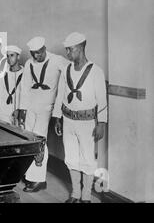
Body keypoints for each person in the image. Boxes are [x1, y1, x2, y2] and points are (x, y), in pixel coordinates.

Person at [53, 32, 107, 203]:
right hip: (68, 120)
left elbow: (102, 100)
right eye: (67, 50)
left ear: (81, 47)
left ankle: (86, 196)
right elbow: (61, 95)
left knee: (88, 160)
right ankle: (75, 194)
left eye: (70, 50)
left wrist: (102, 123)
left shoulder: (95, 71)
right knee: (71, 158)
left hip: (87, 123)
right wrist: (57, 118)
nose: (68, 54)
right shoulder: (66, 69)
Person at [19, 36, 68, 193]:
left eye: (39, 53)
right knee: (27, 138)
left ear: (44, 49)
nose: (36, 56)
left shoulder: (57, 60)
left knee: (39, 140)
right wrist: (22, 108)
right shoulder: (29, 63)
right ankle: (28, 174)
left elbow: (73, 72)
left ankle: (39, 179)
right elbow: (25, 87)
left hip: (47, 106)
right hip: (31, 104)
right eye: (33, 53)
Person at [0, 46, 23, 125]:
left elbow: (25, 95)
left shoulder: (25, 73)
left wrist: (19, 110)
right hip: (3, 112)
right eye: (8, 56)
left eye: (12, 55)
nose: (9, 58)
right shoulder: (3, 73)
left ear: (18, 57)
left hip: (17, 113)